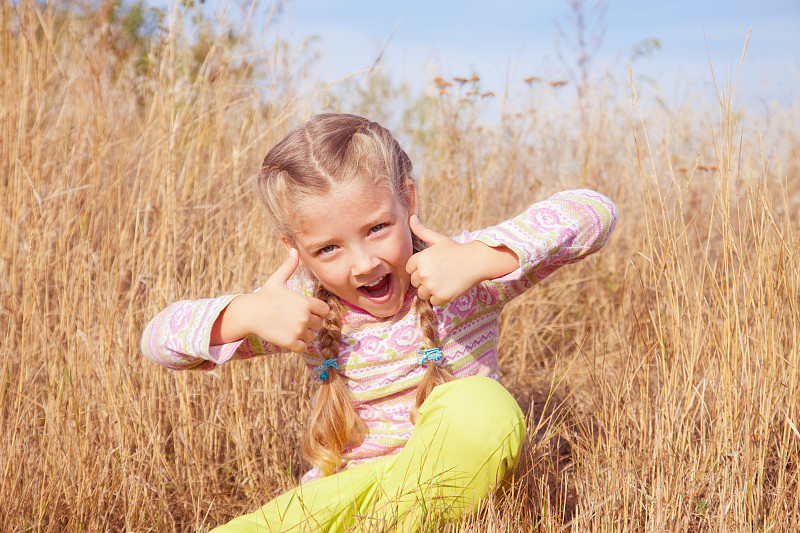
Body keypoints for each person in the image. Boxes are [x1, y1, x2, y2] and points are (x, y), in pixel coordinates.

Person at [141, 113, 618, 532]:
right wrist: (247, 312)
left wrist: (480, 259)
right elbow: (158, 340)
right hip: (342, 501)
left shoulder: (460, 269)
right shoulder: (306, 312)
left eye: (377, 229)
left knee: (481, 406)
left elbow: (595, 212)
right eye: (328, 248)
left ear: (408, 201)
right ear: (296, 250)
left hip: (462, 491)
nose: (364, 263)